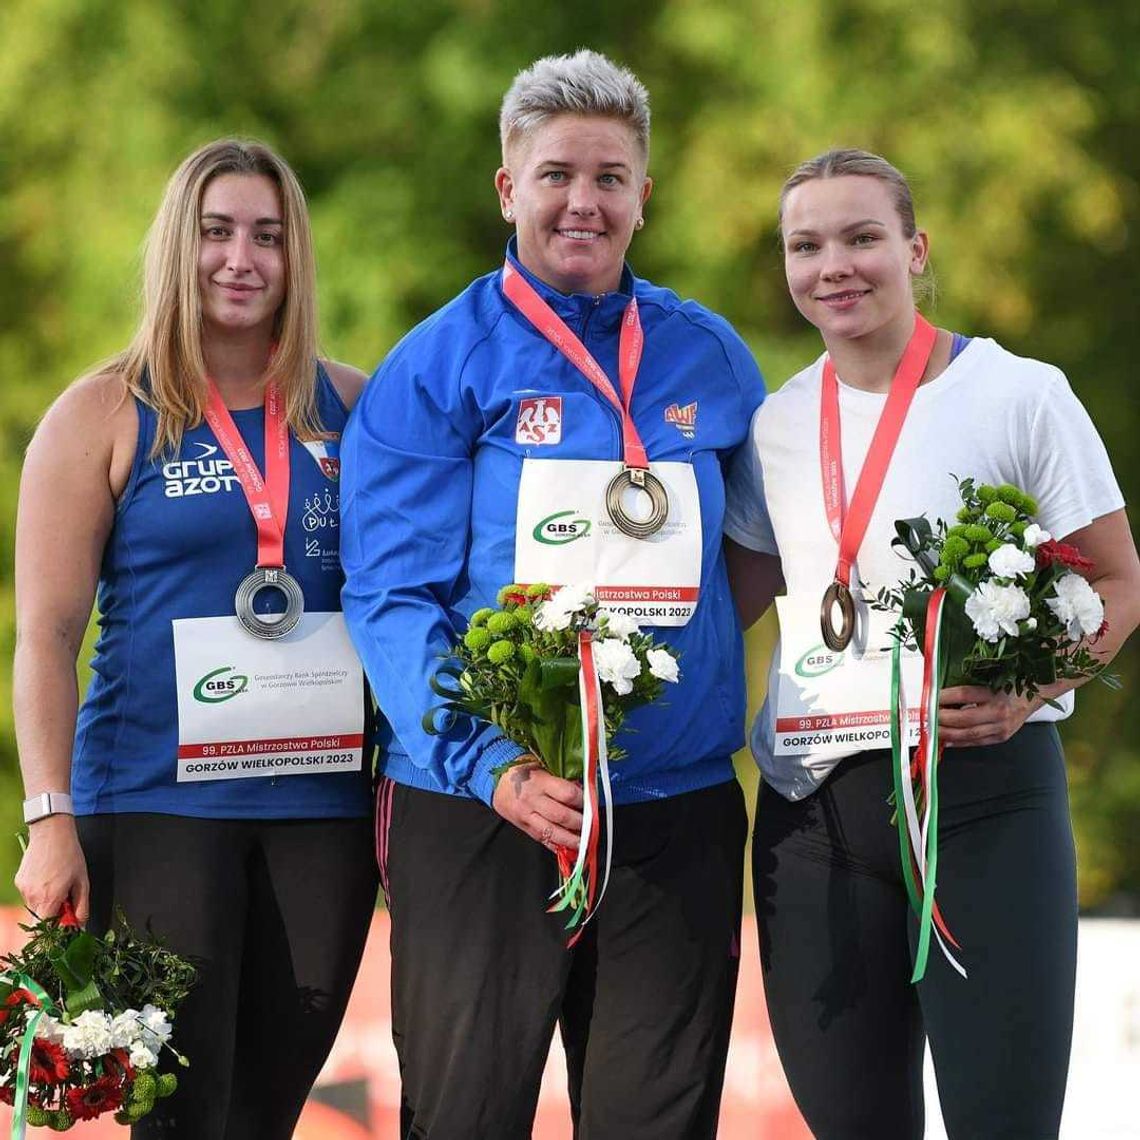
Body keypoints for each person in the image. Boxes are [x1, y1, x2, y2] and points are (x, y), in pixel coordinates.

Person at [342, 49, 765, 1140]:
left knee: (656, 1122)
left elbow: (756, 556)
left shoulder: (709, 356)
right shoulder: (438, 366)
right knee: (466, 1117)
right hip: (483, 808)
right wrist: (498, 765)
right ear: (507, 188)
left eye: (611, 176)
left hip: (670, 807)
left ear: (643, 197)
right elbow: (391, 599)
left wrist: (696, 661)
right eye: (557, 174)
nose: (584, 200)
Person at [724, 148, 1140, 1139]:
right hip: (812, 822)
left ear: (915, 248)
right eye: (806, 244)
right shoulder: (773, 426)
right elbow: (724, 611)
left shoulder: (1018, 394)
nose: (836, 265)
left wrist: (1028, 692)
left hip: (984, 804)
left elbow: (1119, 583)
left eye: (862, 237)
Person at [13, 138, 378, 1139]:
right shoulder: (102, 412)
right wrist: (49, 818)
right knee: (177, 1110)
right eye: (217, 232)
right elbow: (45, 634)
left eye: (268, 235)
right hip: (159, 804)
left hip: (322, 808)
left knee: (266, 1107)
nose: (242, 258)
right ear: (180, 245)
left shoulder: (356, 407)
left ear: (295, 256)